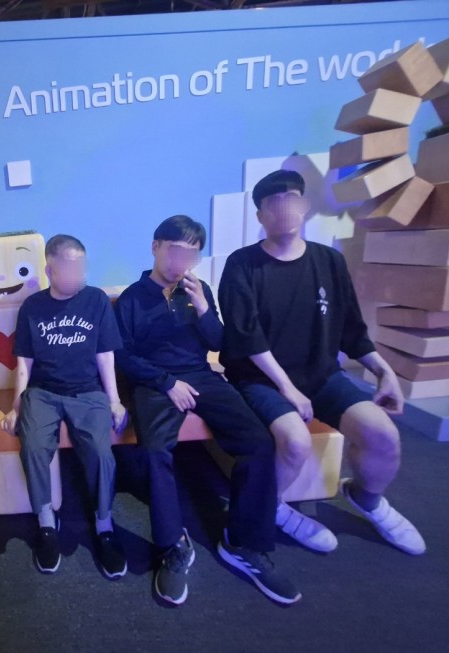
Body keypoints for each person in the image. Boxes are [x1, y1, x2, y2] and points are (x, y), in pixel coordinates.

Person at [219, 169, 425, 556]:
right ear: (261, 215)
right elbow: (247, 336)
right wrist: (287, 388)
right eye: (273, 204)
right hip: (261, 380)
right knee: (294, 442)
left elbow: (351, 329)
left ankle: (367, 499)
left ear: (305, 206)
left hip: (322, 375)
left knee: (382, 434)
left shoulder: (328, 261)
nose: (284, 209)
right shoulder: (242, 264)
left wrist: (384, 371)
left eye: (291, 200)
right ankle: (272, 507)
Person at [115, 216, 300, 605]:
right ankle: (171, 546)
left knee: (258, 441)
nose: (181, 262)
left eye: (191, 254)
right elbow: (123, 356)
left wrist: (203, 308)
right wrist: (167, 383)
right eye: (175, 251)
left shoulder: (199, 291)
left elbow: (219, 343)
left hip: (201, 376)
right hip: (155, 382)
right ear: (155, 247)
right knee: (154, 451)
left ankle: (242, 542)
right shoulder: (132, 298)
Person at [1, 235, 128, 579]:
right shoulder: (32, 306)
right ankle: (46, 522)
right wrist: (16, 406)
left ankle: (104, 524)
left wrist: (114, 400)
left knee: (100, 452)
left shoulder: (96, 300)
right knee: (32, 447)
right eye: (71, 269)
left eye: (82, 268)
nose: (79, 275)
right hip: (42, 392)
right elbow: (24, 362)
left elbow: (105, 355)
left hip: (87, 391)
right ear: (50, 270)